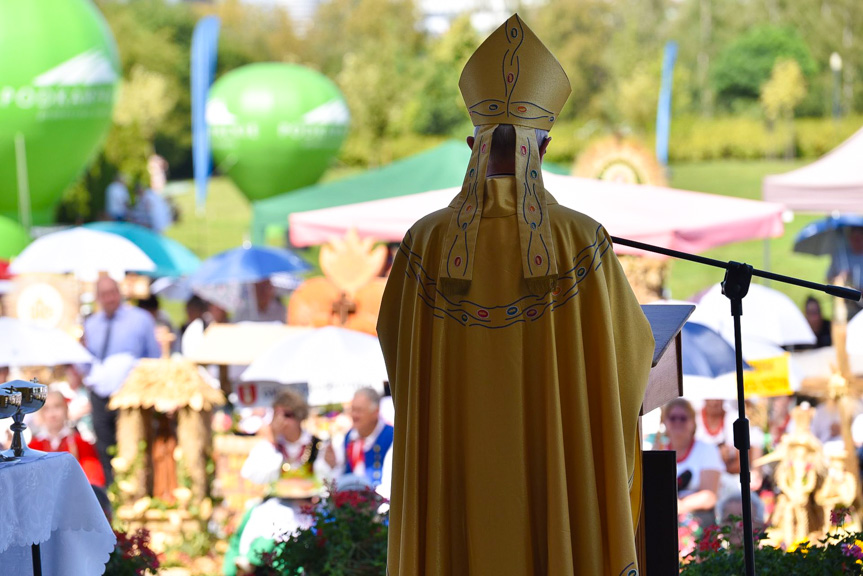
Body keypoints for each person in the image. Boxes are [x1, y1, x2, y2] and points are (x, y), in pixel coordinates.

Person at [376, 15, 654, 575]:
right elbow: (630, 356)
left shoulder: (424, 243)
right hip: (556, 481)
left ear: (471, 144)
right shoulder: (582, 240)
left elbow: (397, 352)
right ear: (545, 145)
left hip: (452, 470)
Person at [83, 276, 161, 485]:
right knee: (105, 448)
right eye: (104, 295)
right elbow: (87, 361)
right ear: (98, 298)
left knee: (133, 446)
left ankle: (137, 492)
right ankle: (112, 496)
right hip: (100, 396)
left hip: (130, 397)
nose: (109, 299)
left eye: (112, 293)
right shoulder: (91, 324)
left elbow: (154, 357)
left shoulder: (140, 319)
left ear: (120, 293)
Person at [661, 398, 723, 557]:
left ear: (693, 422)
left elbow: (709, 496)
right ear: (665, 421)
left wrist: (679, 505)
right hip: (666, 522)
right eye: (672, 418)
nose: (677, 422)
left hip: (699, 520)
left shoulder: (706, 450)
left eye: (683, 418)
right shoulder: (658, 452)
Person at [240, 388, 328, 485]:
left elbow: (326, 478)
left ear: (299, 417)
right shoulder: (269, 445)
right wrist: (272, 439)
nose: (280, 420)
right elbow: (252, 476)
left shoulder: (317, 444)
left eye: (287, 415)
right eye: (277, 414)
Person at [29, 390, 105, 487]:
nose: (52, 414)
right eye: (46, 409)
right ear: (41, 414)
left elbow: (93, 478)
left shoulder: (80, 443)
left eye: (57, 406)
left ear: (66, 408)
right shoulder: (33, 447)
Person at [324, 387, 393, 489]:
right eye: (353, 409)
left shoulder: (391, 436)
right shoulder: (349, 436)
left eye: (359, 410)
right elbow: (342, 475)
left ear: (376, 412)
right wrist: (333, 465)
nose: (354, 415)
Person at [828, 226, 863, 321]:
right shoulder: (841, 256)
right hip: (847, 305)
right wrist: (840, 278)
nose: (857, 241)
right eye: (854, 238)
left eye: (859, 238)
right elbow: (829, 278)